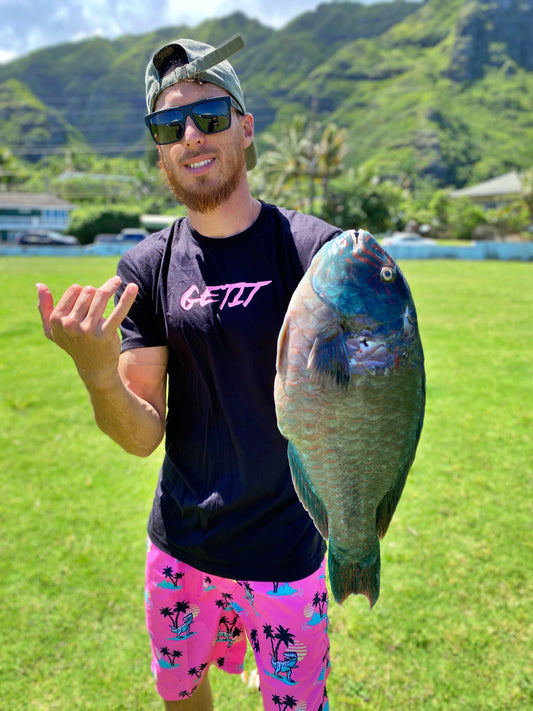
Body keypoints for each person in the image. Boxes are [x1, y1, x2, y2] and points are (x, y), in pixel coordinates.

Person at [37, 34, 342, 711]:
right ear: (158, 147)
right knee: (182, 698)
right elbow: (143, 434)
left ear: (245, 124)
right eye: (169, 125)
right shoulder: (146, 268)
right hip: (179, 549)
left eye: (208, 115)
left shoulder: (311, 251)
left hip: (287, 552)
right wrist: (97, 375)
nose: (191, 136)